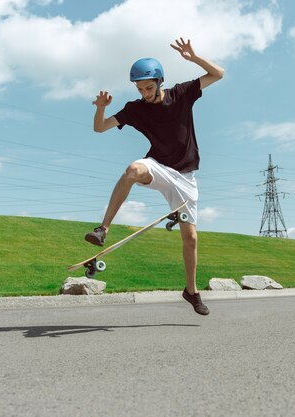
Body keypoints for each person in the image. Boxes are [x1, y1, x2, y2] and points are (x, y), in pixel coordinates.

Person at [86, 37, 224, 315]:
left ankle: (191, 291)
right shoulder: (135, 109)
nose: (145, 93)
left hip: (185, 177)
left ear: (160, 81)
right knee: (133, 170)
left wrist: (194, 57)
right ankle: (103, 229)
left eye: (149, 87)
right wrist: (100, 106)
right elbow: (100, 128)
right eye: (140, 89)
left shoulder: (182, 94)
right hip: (158, 167)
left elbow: (217, 74)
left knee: (191, 239)